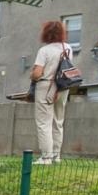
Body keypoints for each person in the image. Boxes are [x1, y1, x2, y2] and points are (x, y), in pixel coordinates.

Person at [30, 20, 71, 164]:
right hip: (63, 86)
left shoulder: (44, 50)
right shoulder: (67, 48)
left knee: (43, 123)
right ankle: (56, 156)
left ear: (46, 33)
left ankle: (46, 157)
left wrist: (32, 74)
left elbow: (37, 73)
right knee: (58, 121)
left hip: (46, 86)